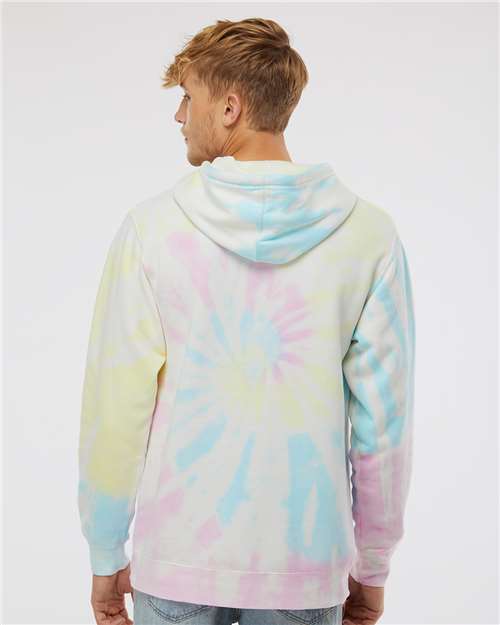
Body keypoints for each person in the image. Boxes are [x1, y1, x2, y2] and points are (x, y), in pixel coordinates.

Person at [77, 17, 416, 625]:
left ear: (230, 107)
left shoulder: (152, 230)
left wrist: (106, 552)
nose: (179, 116)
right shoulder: (369, 237)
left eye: (188, 97)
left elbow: (116, 407)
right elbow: (383, 426)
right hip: (304, 567)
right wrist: (372, 566)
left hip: (177, 558)